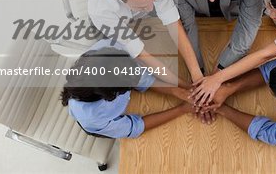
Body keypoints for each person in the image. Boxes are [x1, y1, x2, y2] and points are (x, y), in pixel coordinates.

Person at [88, 0, 203, 88]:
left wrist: (197, 75)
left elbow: (173, 23)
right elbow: (142, 55)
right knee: (119, 67)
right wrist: (185, 86)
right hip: (109, 21)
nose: (149, 9)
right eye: (142, 7)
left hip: (136, 11)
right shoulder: (100, 9)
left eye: (153, 0)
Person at [60, 39, 195, 139]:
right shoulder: (93, 118)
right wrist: (182, 109)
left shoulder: (108, 48)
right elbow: (135, 127)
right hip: (99, 124)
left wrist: (176, 91)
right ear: (113, 95)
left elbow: (143, 79)